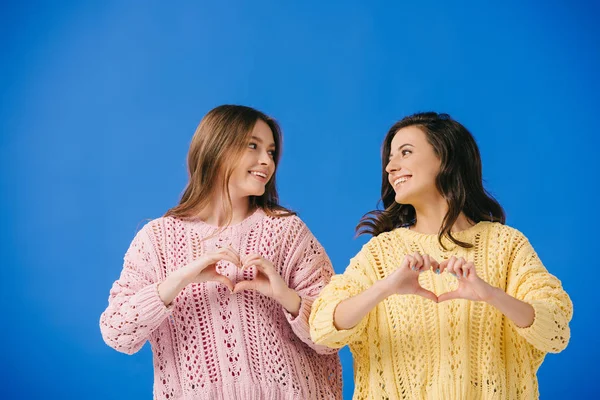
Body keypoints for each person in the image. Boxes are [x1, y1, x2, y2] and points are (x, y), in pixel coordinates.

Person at [310, 112, 572, 399]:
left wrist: (490, 294)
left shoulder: (506, 244)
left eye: (405, 153)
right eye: (390, 158)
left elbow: (555, 330)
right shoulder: (379, 253)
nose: (390, 167)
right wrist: (385, 288)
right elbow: (324, 327)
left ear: (446, 158)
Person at [100, 105, 341, 400]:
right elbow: (117, 332)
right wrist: (177, 281)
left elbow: (332, 338)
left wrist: (287, 298)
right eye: (253, 146)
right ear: (216, 148)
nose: (267, 161)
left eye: (271, 151)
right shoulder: (156, 240)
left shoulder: (286, 231)